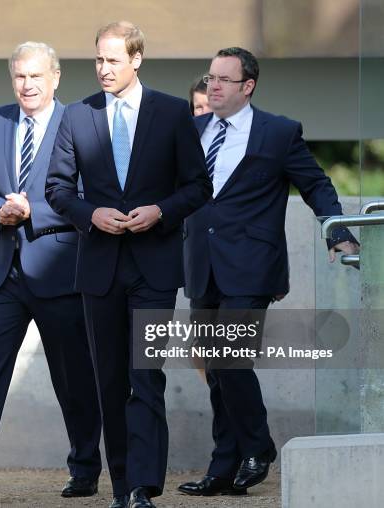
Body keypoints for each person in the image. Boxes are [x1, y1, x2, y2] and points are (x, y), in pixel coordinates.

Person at [178, 47, 359, 497]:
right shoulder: (191, 129)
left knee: (229, 360)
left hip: (252, 267)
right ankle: (223, 468)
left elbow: (316, 184)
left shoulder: (278, 132)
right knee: (216, 372)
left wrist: (336, 229)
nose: (213, 85)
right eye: (210, 77)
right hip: (201, 264)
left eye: (223, 79)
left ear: (247, 86)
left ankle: (259, 448)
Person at [46, 21, 212, 508]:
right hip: (99, 268)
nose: (103, 69)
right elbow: (57, 189)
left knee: (146, 376)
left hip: (154, 269)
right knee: (110, 381)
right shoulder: (77, 116)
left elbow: (198, 186)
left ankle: (141, 487)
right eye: (98, 59)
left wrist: (161, 211)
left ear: (136, 60)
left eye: (113, 60)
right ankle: (121, 488)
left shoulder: (173, 112)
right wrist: (90, 213)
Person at [0, 42, 102, 504]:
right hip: (1, 272)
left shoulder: (80, 122)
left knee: (73, 378)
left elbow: (89, 191)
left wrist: (35, 211)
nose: (27, 85)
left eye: (35, 76)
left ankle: (85, 468)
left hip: (58, 268)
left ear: (55, 78)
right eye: (19, 77)